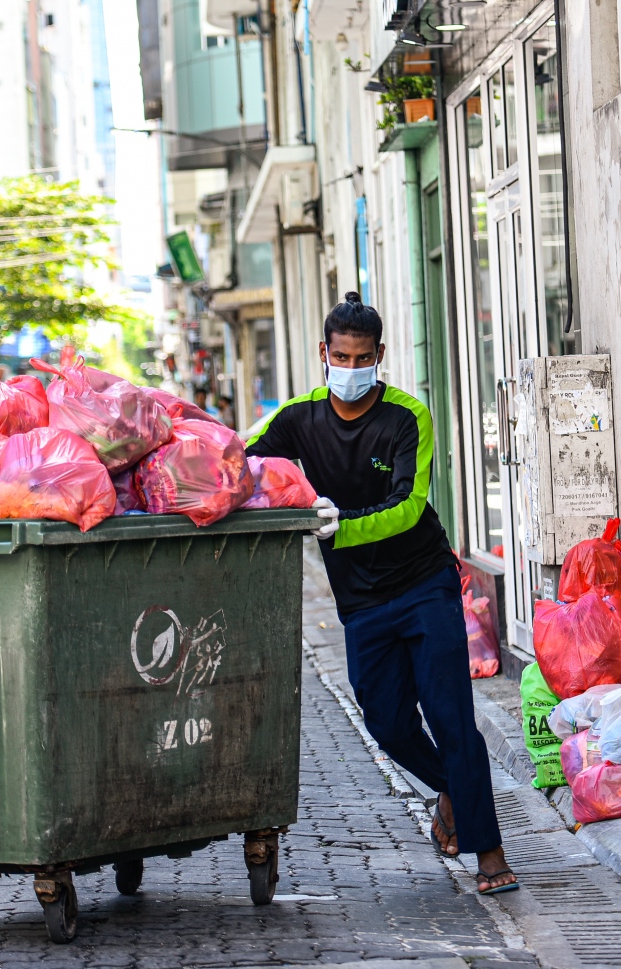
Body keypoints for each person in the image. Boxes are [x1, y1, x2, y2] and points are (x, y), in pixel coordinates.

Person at [246, 291, 518, 895]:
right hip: (361, 602)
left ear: (380, 356)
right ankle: (453, 788)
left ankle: (489, 853)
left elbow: (407, 505)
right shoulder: (298, 418)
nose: (349, 369)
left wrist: (339, 525)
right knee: (387, 721)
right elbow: (241, 465)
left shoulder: (406, 416)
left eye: (361, 358)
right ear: (324, 353)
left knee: (450, 715)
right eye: (340, 357)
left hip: (424, 585)